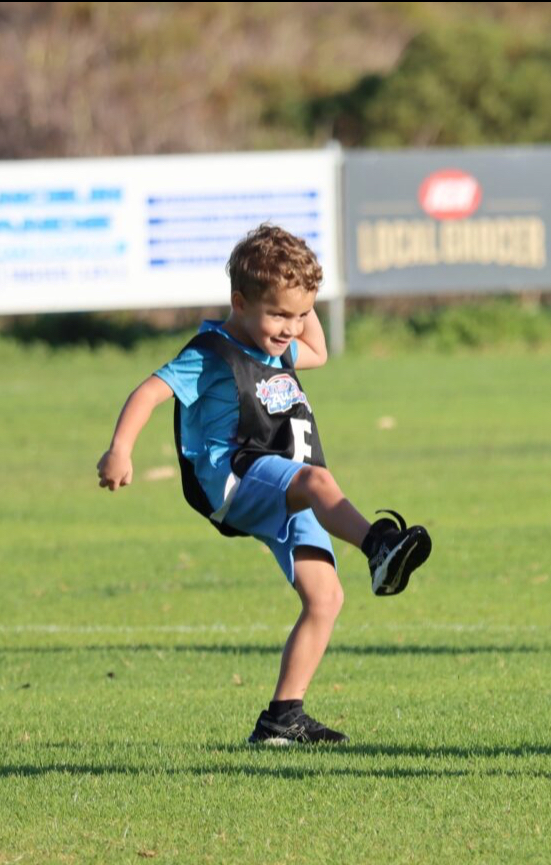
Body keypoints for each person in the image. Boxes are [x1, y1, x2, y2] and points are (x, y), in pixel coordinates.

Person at [97, 223, 432, 746]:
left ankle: (281, 720)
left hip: (287, 488)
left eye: (301, 314)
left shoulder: (279, 348)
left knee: (326, 598)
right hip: (236, 477)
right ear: (239, 302)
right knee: (317, 480)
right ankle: (378, 546)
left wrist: (299, 291)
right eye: (279, 314)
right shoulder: (212, 351)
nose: (291, 328)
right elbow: (149, 392)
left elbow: (318, 350)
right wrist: (120, 449)